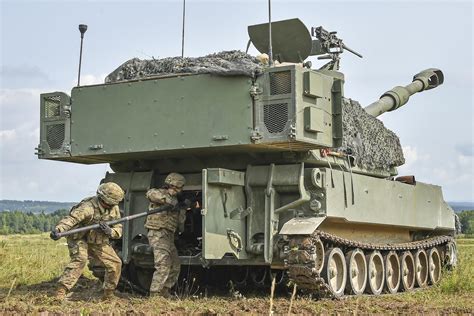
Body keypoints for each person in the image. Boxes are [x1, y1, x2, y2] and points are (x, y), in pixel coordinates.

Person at [50, 182, 125, 300]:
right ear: (103, 199)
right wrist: (59, 230)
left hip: (97, 239)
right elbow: (71, 220)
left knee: (115, 263)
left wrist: (110, 232)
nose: (111, 206)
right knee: (80, 259)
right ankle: (60, 293)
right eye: (109, 203)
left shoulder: (114, 209)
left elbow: (118, 227)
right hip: (79, 237)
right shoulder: (87, 207)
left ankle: (108, 295)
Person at [145, 172, 186, 298]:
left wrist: (182, 209)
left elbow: (180, 224)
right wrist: (168, 201)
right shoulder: (159, 193)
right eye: (179, 188)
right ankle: (155, 295)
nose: (179, 191)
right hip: (158, 234)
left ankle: (165, 291)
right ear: (173, 186)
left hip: (168, 236)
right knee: (163, 264)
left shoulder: (175, 201)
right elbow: (150, 194)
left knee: (175, 264)